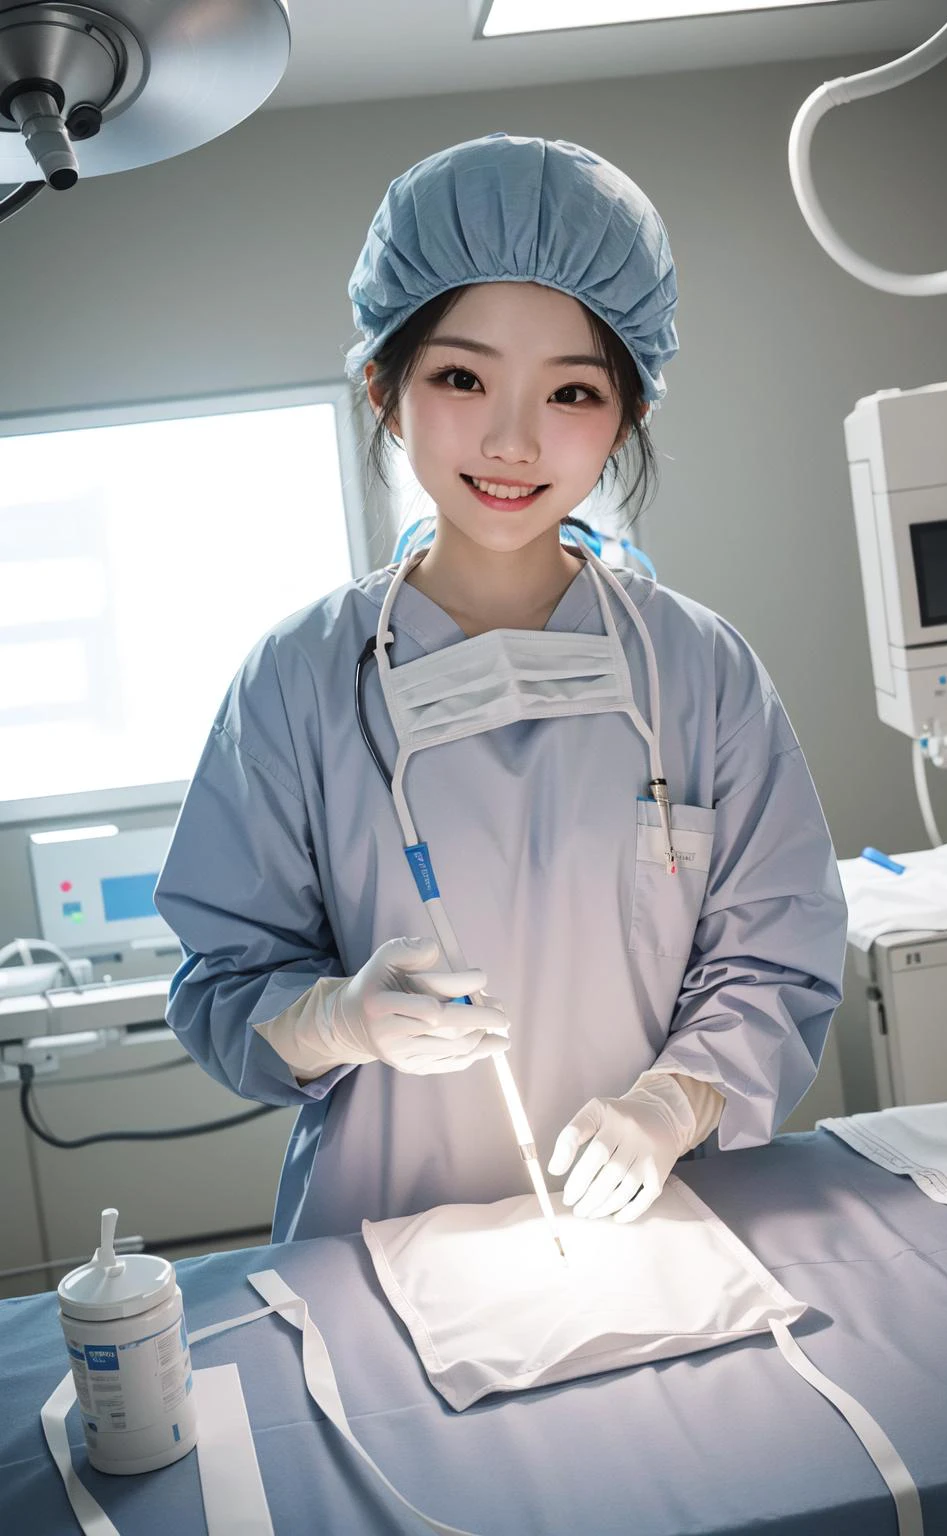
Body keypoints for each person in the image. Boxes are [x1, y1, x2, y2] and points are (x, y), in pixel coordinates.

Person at [154, 133, 847, 1243]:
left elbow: (778, 959)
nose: (514, 440)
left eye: (571, 390)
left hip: (649, 1234)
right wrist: (337, 1022)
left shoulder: (699, 670)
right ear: (383, 388)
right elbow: (221, 984)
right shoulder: (297, 681)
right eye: (461, 376)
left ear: (628, 414)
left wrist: (673, 1105)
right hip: (379, 1239)